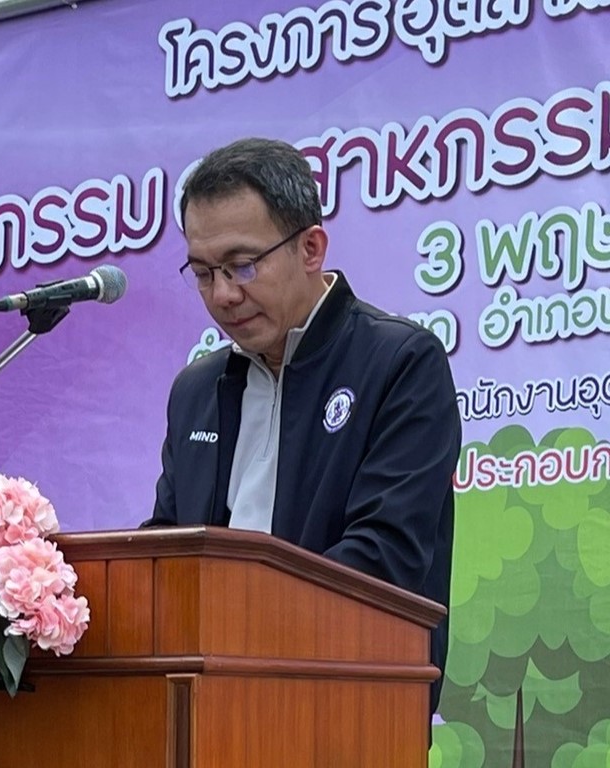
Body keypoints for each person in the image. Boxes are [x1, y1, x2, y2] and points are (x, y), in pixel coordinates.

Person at [144, 137, 461, 714]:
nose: (223, 294)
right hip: (206, 706)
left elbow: (383, 559)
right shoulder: (196, 389)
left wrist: (233, 625)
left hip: (347, 703)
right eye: (203, 272)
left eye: (242, 265)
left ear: (311, 248)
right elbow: (170, 548)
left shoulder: (400, 362)